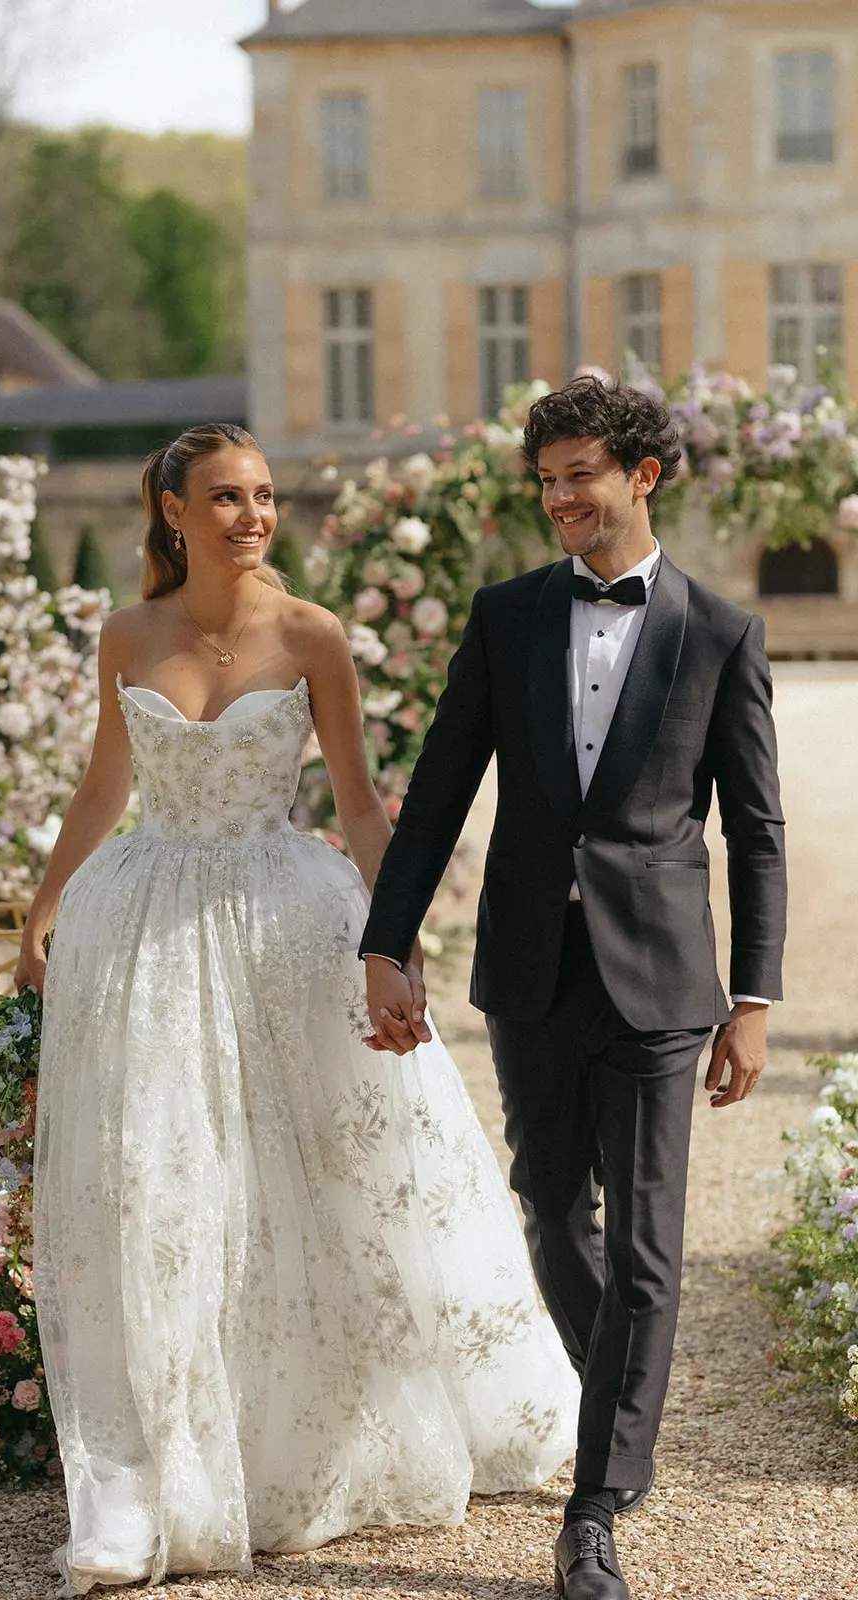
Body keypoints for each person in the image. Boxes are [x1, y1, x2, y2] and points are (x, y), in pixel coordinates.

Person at [17, 423, 580, 1596]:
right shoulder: (127, 633)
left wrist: (395, 937)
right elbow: (105, 781)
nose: (251, 516)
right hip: (152, 930)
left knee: (329, 1174)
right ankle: (156, 1476)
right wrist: (44, 898)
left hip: (287, 919)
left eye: (264, 496)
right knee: (169, 1183)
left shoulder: (313, 633)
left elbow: (362, 804)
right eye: (224, 497)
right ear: (172, 509)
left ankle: (319, 1439)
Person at [359, 377, 787, 1600]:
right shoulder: (503, 618)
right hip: (530, 973)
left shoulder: (720, 634)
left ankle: (592, 1508)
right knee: (548, 1209)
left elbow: (755, 831)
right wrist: (384, 943)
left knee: (650, 1250)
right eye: (543, 480)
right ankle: (627, 1399)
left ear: (642, 474)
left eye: (578, 475)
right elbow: (437, 791)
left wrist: (751, 998)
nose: (557, 500)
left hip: (660, 981)